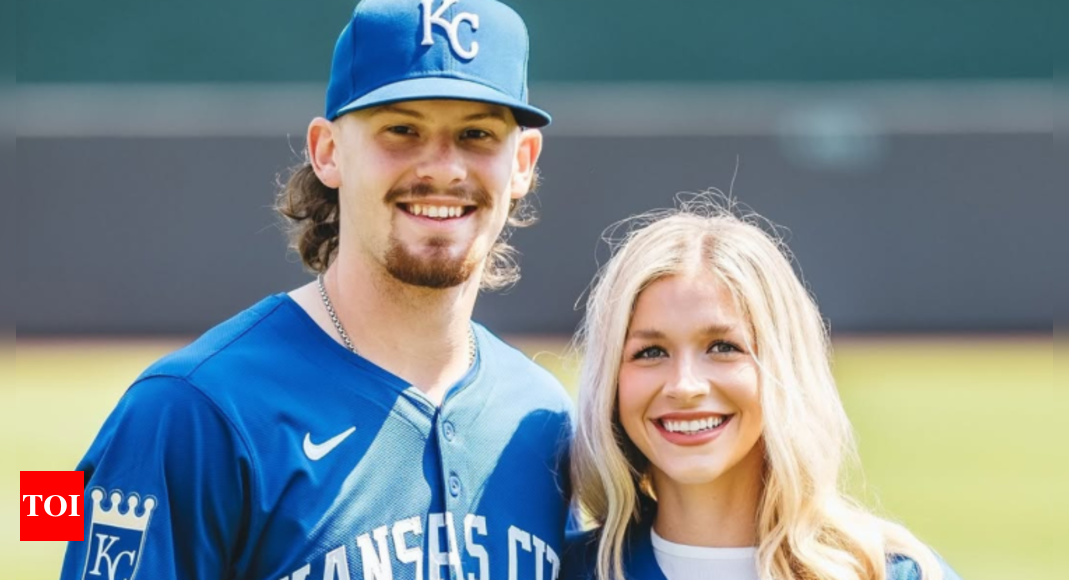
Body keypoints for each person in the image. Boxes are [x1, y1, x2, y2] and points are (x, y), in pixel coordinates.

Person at [61, 1, 573, 579]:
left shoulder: (549, 419)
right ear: (327, 151)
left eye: (477, 133)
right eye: (401, 130)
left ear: (523, 161)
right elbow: (52, 523)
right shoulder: (188, 408)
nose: (444, 168)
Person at [561, 199, 962, 580]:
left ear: (785, 367)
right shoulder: (561, 570)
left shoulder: (890, 572)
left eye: (723, 347)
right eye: (650, 352)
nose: (685, 385)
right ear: (611, 380)